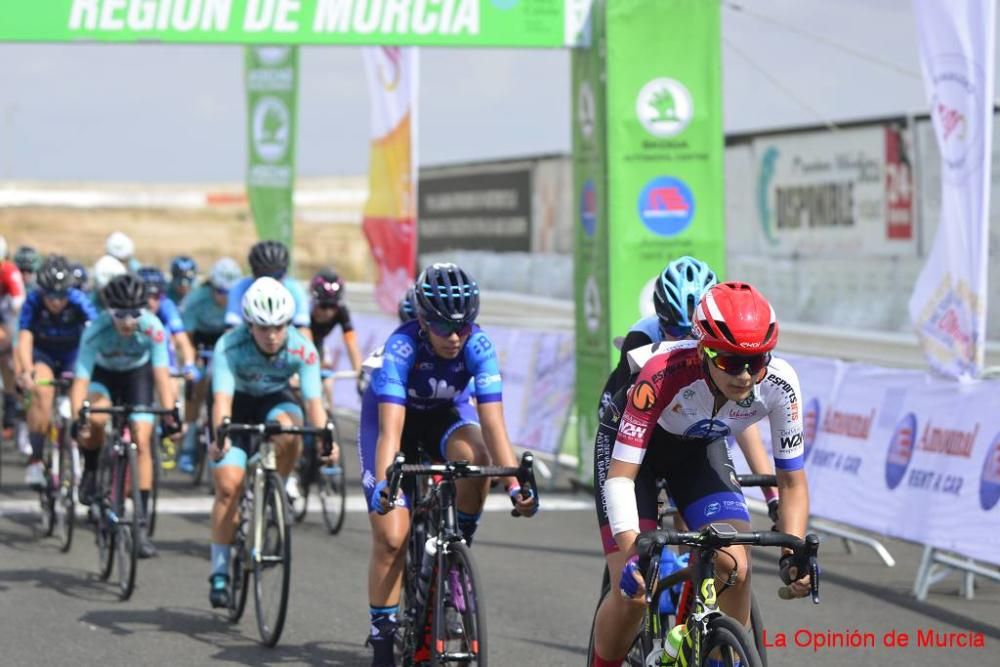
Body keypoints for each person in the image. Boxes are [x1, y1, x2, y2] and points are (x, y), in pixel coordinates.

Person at [590, 282, 812, 667]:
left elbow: (791, 481)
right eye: (729, 361)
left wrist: (793, 551)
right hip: (632, 455)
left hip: (698, 448)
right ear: (703, 350)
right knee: (634, 592)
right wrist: (630, 555)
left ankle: (722, 654)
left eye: (756, 361)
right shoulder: (663, 372)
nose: (744, 375)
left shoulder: (780, 384)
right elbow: (622, 476)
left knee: (735, 566)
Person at [360, 263, 538, 667]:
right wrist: (388, 486)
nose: (455, 337)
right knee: (391, 537)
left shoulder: (479, 346)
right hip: (393, 423)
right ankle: (383, 637)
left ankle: (455, 554)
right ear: (422, 320)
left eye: (463, 325)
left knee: (477, 459)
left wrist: (514, 486)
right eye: (443, 327)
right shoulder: (402, 347)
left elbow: (494, 426)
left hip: (444, 417)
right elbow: (390, 433)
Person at [595, 257, 779, 542]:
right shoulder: (641, 338)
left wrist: (773, 496)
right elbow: (628, 419)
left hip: (690, 431)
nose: (687, 345)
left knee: (700, 525)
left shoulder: (726, 365)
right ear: (660, 320)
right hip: (635, 422)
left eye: (693, 335)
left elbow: (744, 421)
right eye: (675, 334)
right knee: (635, 538)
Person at [206, 277, 334, 608]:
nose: (273, 335)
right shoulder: (229, 346)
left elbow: (313, 403)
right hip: (235, 406)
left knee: (293, 427)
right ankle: (220, 571)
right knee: (228, 487)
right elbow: (221, 400)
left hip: (275, 402)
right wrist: (220, 435)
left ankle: (277, 483)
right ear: (249, 324)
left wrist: (324, 440)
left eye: (279, 326)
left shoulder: (302, 348)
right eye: (263, 328)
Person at [70, 274, 178, 559]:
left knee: (142, 438)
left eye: (135, 314)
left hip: (136, 377)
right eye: (121, 314)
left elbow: (161, 376)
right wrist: (76, 416)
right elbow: (80, 381)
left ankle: (140, 527)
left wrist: (170, 415)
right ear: (109, 310)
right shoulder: (96, 330)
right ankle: (92, 468)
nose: (129, 321)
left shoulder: (153, 329)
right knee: (96, 418)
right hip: (102, 377)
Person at [15, 255, 98, 486]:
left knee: (78, 402)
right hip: (44, 354)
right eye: (50, 295)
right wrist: (27, 370)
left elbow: (96, 331)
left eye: (61, 295)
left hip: (73, 355)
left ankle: (79, 452)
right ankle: (36, 457)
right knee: (42, 393)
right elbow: (24, 338)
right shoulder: (33, 301)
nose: (55, 301)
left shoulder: (80, 300)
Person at [176, 257, 243, 473]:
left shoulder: (241, 301)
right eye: (221, 292)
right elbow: (185, 337)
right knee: (197, 384)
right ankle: (189, 441)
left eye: (229, 293)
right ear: (213, 287)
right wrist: (190, 362)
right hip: (200, 342)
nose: (225, 298)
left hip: (227, 340)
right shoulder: (196, 300)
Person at [224, 240, 310, 336]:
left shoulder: (296, 290)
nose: (270, 281)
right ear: (253, 273)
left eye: (277, 275)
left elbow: (303, 331)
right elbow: (231, 332)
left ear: (285, 273)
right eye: (263, 275)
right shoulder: (238, 289)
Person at [137, 265, 198, 380]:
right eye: (145, 296)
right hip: (134, 358)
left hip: (162, 355)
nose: (150, 302)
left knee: (171, 389)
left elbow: (183, 340)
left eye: (156, 296)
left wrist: (189, 364)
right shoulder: (130, 308)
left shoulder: (167, 305)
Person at [0, 237, 27, 434]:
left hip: (7, 316)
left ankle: (10, 415)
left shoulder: (10, 271)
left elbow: (18, 304)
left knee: (8, 360)